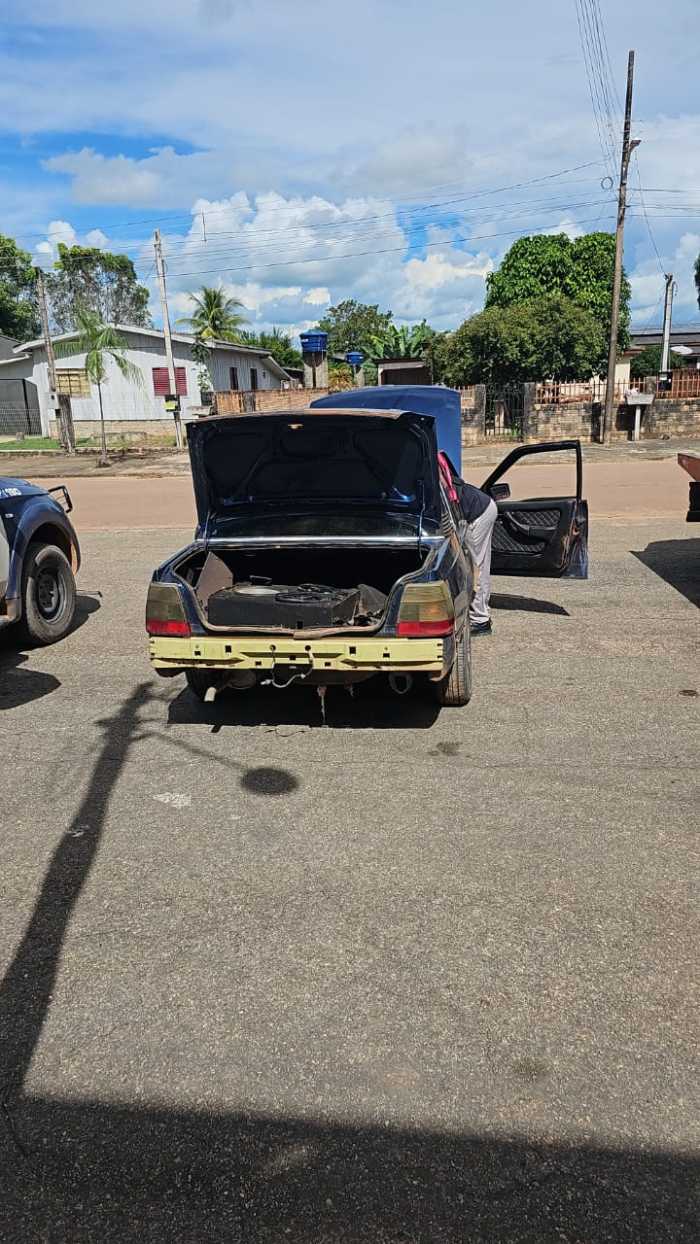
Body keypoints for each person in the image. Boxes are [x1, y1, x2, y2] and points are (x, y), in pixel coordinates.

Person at [437, 453, 497, 637]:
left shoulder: (430, 473)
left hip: (478, 513)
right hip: (474, 508)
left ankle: (480, 620)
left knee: (475, 567)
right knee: (471, 565)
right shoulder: (429, 466)